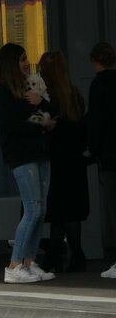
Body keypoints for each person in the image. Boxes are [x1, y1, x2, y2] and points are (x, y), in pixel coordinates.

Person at [0, 42, 57, 284]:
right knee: (33, 209)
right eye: (22, 59)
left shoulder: (29, 87)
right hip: (21, 155)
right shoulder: (0, 92)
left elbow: (54, 109)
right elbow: (10, 125)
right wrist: (40, 124)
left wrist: (40, 102)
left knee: (40, 210)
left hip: (39, 152)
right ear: (10, 63)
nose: (26, 63)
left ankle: (28, 261)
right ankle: (15, 264)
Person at [39, 51, 88, 272]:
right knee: (70, 210)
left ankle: (55, 255)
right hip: (74, 158)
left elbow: (42, 125)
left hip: (56, 158)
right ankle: (74, 253)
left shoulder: (48, 97)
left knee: (58, 209)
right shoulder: (73, 94)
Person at [86, 41, 116, 279]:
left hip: (109, 154)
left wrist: (92, 150)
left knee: (112, 207)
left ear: (95, 61)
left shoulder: (98, 86)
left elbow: (96, 122)